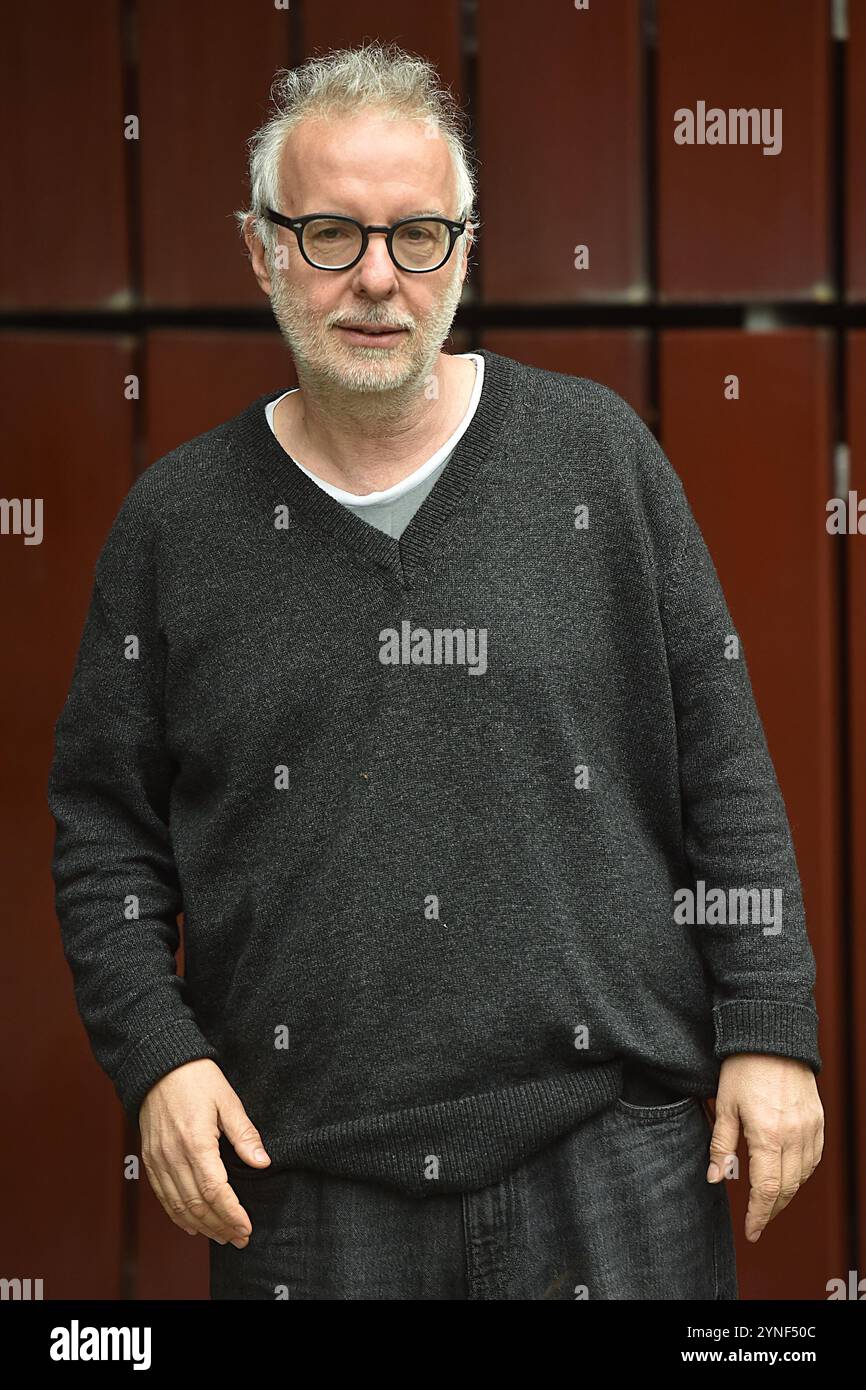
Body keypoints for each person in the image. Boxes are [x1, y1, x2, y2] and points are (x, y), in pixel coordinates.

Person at [47, 41, 824, 1301]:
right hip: (301, 1190)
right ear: (260, 251)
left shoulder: (596, 462)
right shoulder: (172, 529)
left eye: (416, 236)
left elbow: (723, 769)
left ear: (463, 251)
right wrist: (158, 1058)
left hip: (614, 1156)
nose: (374, 279)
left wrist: (771, 1030)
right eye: (326, 233)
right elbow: (103, 834)